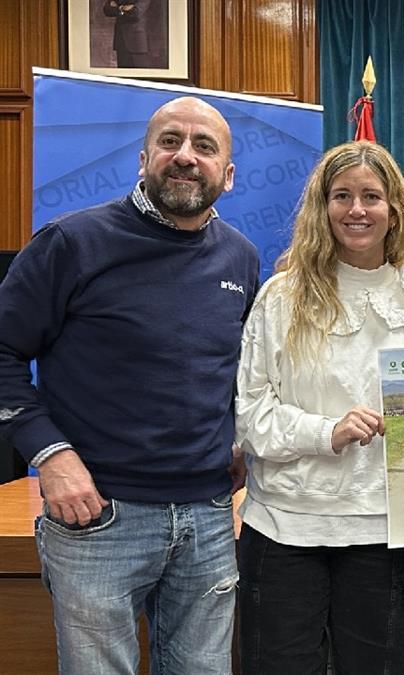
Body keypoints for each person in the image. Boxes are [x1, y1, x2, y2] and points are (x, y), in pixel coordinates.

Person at [0, 96, 257, 674]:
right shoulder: (71, 243)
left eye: (204, 146)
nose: (185, 156)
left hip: (210, 516)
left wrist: (238, 435)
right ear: (144, 158)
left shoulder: (240, 258)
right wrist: (52, 456)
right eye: (170, 142)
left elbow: (234, 369)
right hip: (97, 519)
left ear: (229, 174)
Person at [235, 140, 404, 673]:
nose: (356, 209)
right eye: (341, 195)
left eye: (371, 196)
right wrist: (327, 431)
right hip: (285, 529)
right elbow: (252, 417)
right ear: (321, 207)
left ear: (394, 210)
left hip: (381, 531)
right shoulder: (280, 297)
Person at [102, 0, 153, 68]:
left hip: (137, 43)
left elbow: (135, 13)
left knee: (140, 75)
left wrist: (118, 9)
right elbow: (107, 10)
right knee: (123, 75)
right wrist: (122, 8)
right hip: (121, 42)